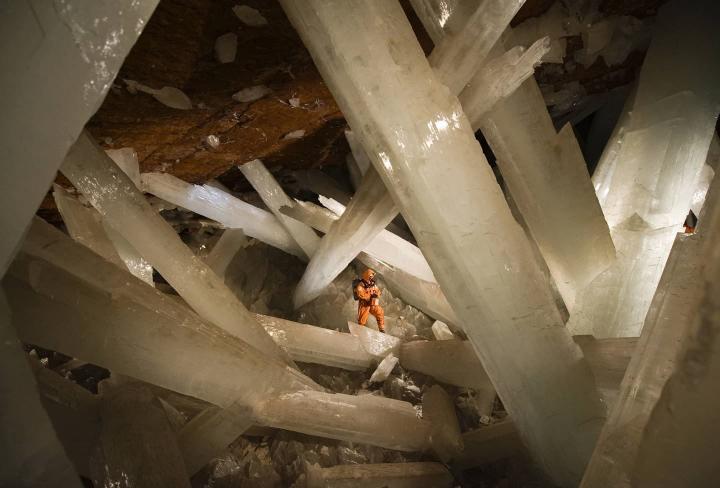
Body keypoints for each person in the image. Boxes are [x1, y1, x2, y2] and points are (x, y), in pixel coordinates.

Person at [354, 268, 385, 333]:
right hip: (364, 304)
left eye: (372, 276)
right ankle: (359, 332)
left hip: (373, 304)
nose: (371, 278)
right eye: (370, 276)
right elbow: (360, 294)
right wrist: (368, 297)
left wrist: (376, 295)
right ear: (367, 276)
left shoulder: (373, 284)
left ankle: (381, 329)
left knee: (380, 312)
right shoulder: (361, 285)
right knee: (362, 319)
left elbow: (378, 291)